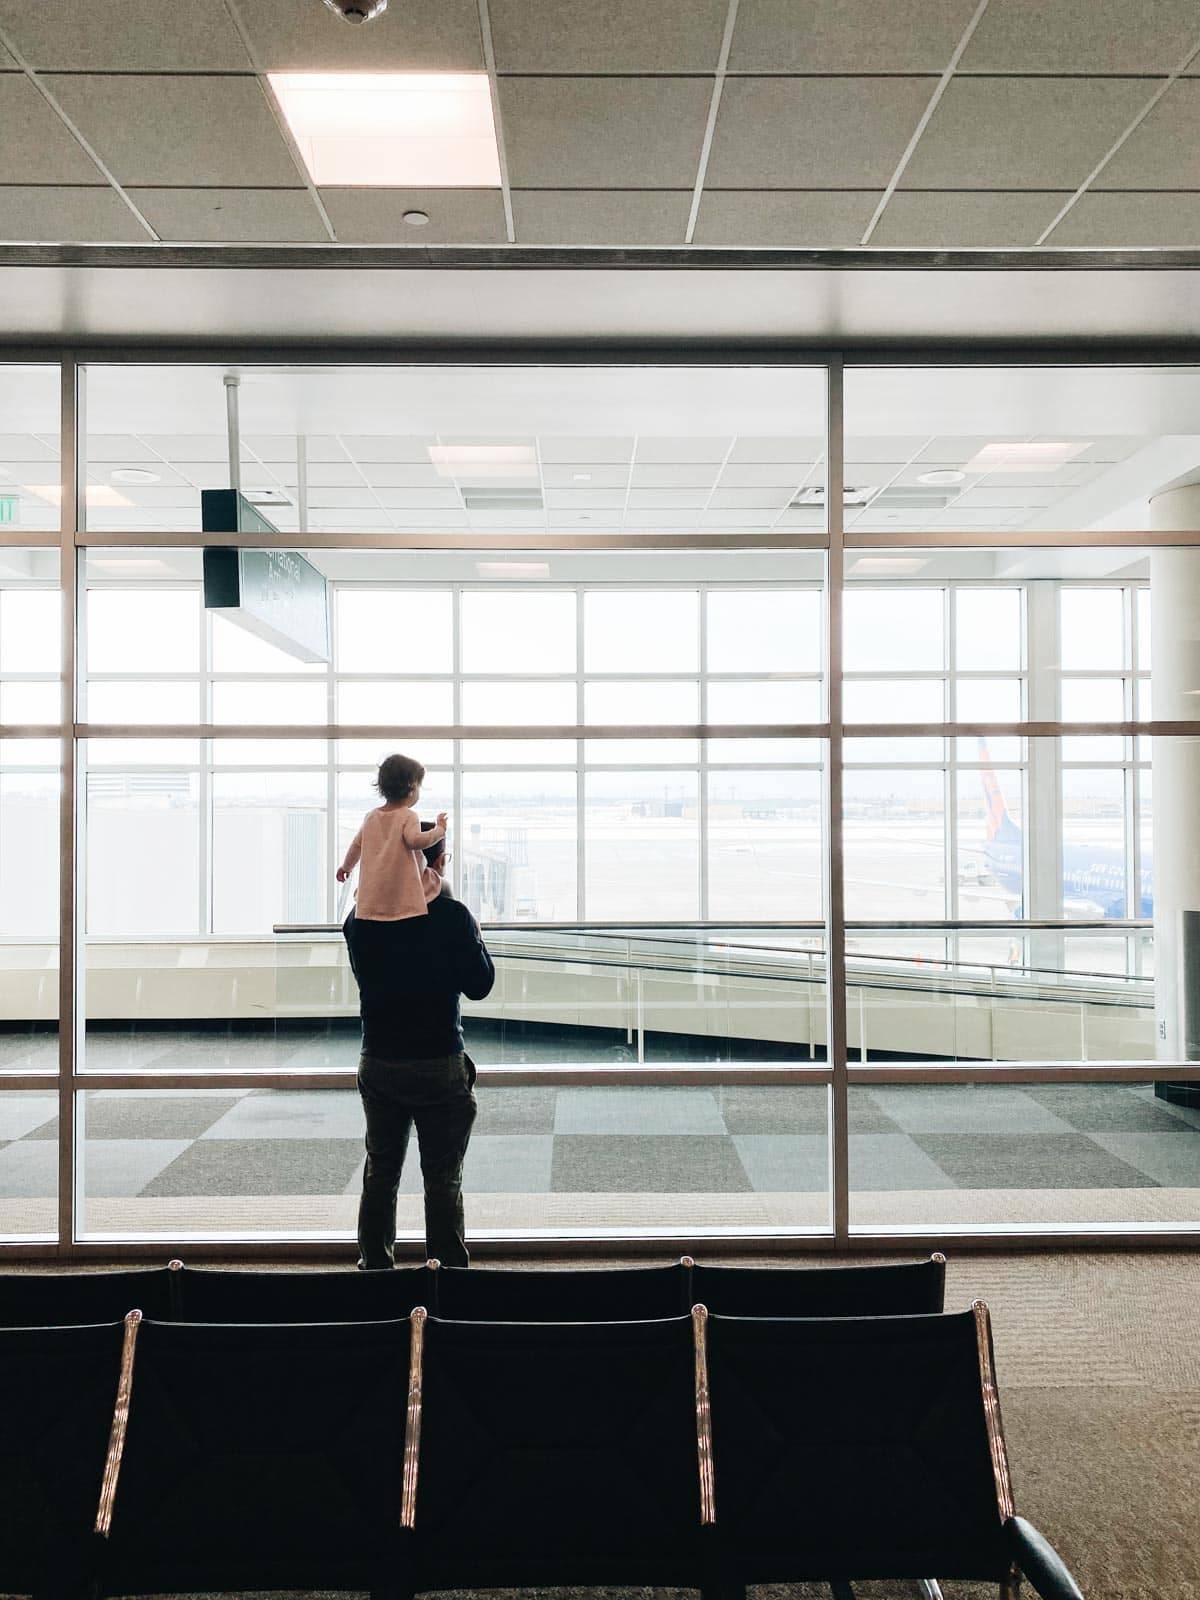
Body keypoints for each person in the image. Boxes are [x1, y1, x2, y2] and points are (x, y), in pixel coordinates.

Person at [344, 830, 495, 1270]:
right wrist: (472, 932)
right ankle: (445, 1277)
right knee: (443, 1180)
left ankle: (375, 1271)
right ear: (438, 862)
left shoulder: (360, 919)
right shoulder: (452, 916)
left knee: (380, 1174)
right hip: (438, 1062)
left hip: (379, 1060)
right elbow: (480, 985)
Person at [337, 752, 447, 921]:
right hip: (400, 900)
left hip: (372, 901)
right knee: (435, 882)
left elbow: (356, 846)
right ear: (411, 787)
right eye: (419, 786)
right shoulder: (408, 815)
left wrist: (346, 867)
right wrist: (439, 830)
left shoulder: (371, 817)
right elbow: (416, 841)